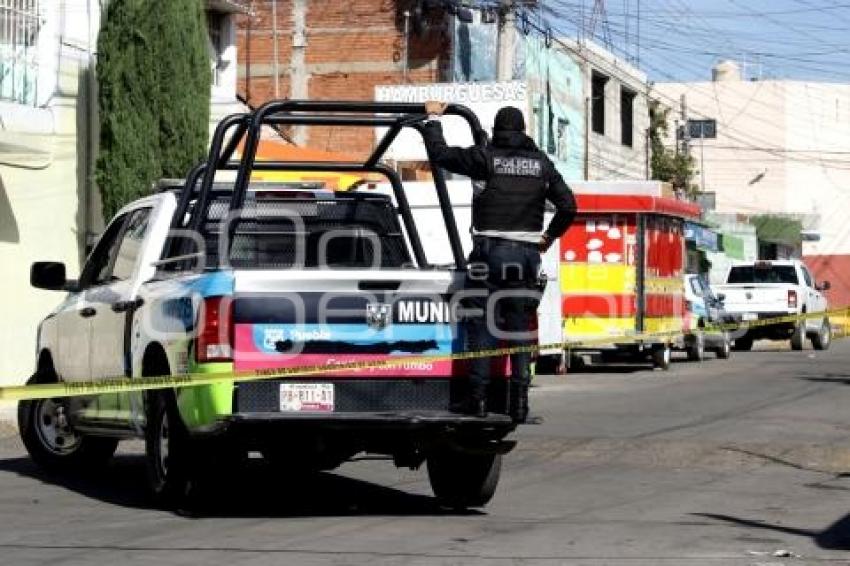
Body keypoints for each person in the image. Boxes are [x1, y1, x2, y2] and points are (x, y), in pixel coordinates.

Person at [422, 101, 577, 424]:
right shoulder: (541, 164)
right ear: (523, 132)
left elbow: (440, 154)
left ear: (497, 131)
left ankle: (477, 401)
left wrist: (434, 118)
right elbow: (569, 206)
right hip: (525, 257)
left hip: (488, 254)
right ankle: (519, 405)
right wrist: (547, 237)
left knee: (482, 325)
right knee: (519, 330)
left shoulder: (486, 159)